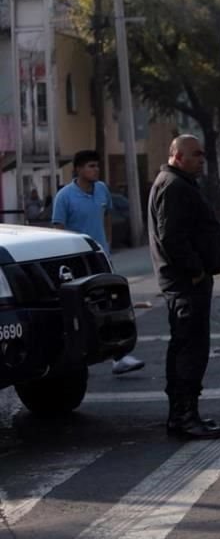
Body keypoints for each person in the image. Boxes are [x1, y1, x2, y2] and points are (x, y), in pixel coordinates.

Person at [148, 135, 220, 441]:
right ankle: (184, 417)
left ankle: (185, 414)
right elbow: (171, 237)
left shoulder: (178, 183)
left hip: (186, 283)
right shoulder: (173, 186)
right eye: (196, 154)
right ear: (178, 156)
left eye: (203, 154)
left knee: (188, 349)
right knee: (189, 352)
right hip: (185, 284)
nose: (201, 159)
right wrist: (195, 270)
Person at [53, 150, 145, 376]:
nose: (95, 170)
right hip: (77, 262)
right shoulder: (64, 196)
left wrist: (107, 244)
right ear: (78, 169)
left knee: (113, 306)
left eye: (96, 165)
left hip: (101, 257)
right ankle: (76, 359)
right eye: (90, 166)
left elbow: (106, 216)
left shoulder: (102, 189)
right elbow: (58, 229)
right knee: (81, 311)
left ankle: (120, 357)